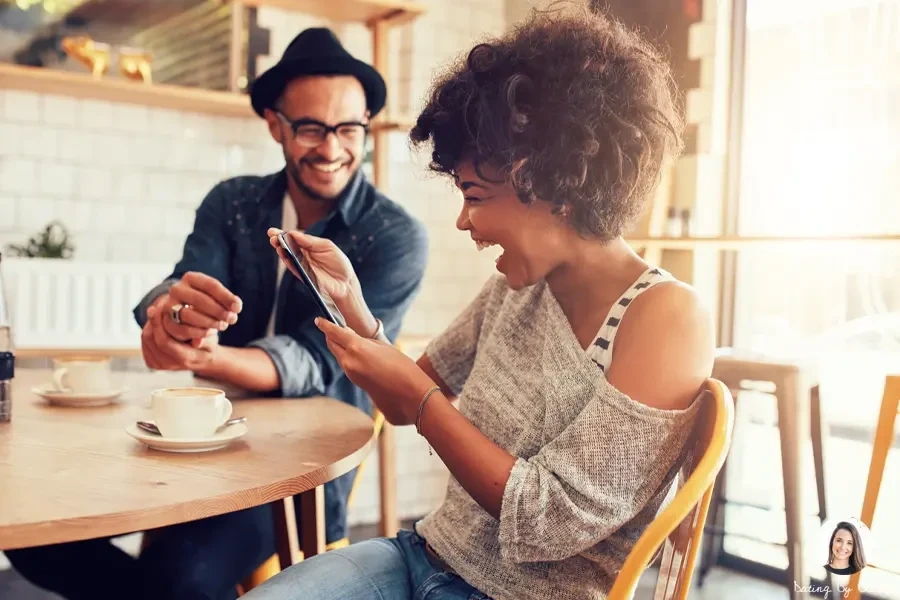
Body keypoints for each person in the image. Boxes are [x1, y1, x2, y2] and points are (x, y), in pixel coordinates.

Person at [244, 4, 714, 600]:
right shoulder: (519, 285)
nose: (464, 220)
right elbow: (416, 388)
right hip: (422, 558)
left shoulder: (666, 318)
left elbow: (549, 519)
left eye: (474, 194)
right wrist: (354, 310)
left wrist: (422, 404)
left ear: (549, 182)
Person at [5, 27, 428, 600]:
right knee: (29, 528)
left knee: (181, 579)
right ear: (275, 124)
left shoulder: (394, 234)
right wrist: (170, 318)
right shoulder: (232, 202)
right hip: (191, 439)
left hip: (298, 468)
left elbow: (312, 362)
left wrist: (208, 355)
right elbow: (179, 288)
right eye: (309, 128)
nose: (331, 148)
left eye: (348, 128)